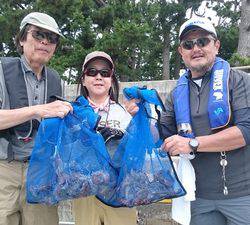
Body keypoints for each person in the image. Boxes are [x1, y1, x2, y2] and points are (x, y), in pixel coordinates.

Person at [126, 17, 250, 225]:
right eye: (188, 44)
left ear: (216, 45)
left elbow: (246, 131)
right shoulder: (176, 94)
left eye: (203, 41)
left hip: (243, 196)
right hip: (199, 196)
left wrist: (193, 143)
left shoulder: (239, 81)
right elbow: (161, 134)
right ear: (181, 52)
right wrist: (140, 115)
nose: (196, 48)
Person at [0, 12, 72, 225]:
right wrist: (37, 110)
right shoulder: (2, 70)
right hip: (5, 170)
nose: (45, 41)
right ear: (22, 39)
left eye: (52, 38)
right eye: (38, 34)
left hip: (43, 171)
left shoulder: (55, 78)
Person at [73, 51, 138, 225]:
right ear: (84, 79)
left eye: (105, 73)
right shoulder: (72, 113)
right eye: (92, 72)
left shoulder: (125, 113)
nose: (99, 77)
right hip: (85, 194)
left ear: (111, 80)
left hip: (120, 192)